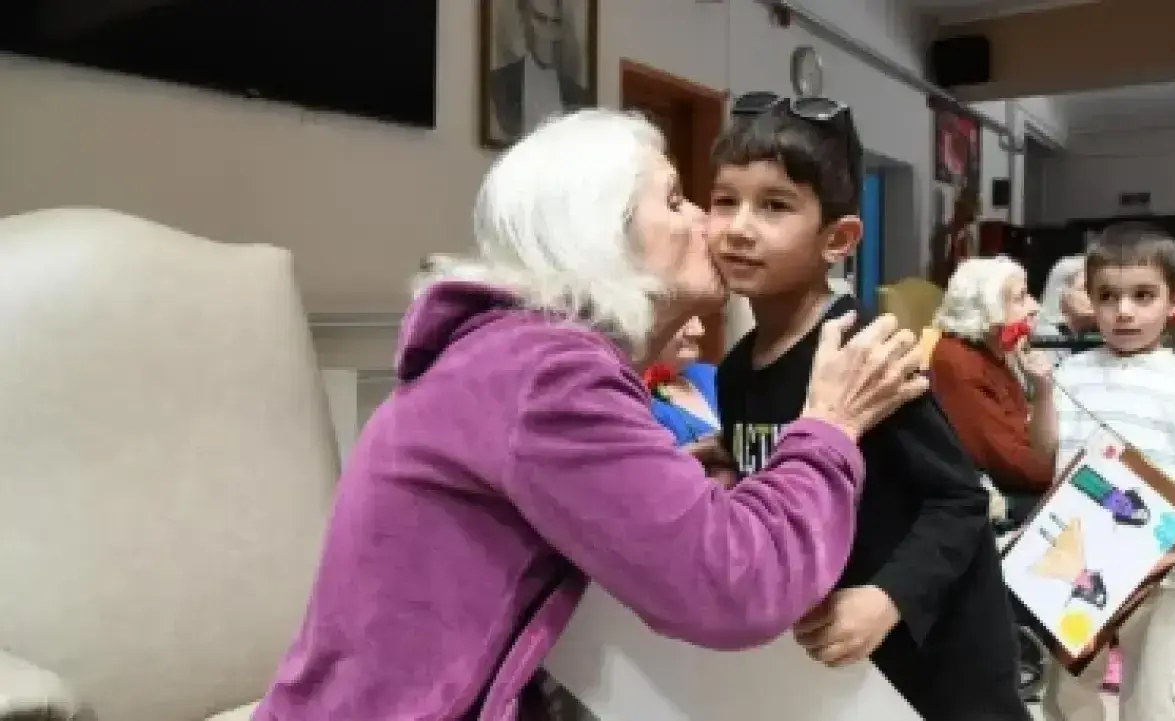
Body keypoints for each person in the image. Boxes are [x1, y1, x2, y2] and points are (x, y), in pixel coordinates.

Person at [251, 109, 929, 721]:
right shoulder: (549, 375)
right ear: (601, 238)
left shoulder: (513, 356)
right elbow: (736, 585)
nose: (709, 222)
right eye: (676, 200)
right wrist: (829, 426)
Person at [705, 92, 1029, 721]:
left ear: (839, 239)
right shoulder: (736, 372)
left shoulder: (866, 351)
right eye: (725, 200)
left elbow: (960, 500)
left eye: (774, 206)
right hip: (844, 666)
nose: (739, 227)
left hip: (940, 658)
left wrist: (886, 597)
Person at [1029, 221, 1175, 720]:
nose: (1124, 312)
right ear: (1089, 301)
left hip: (1162, 563)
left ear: (1174, 300)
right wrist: (1042, 392)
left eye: (1143, 296)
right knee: (1068, 692)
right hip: (1077, 557)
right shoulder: (1069, 373)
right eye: (1108, 296)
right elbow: (1043, 451)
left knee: (1156, 690)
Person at [929, 256, 1056, 523]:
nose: (1034, 306)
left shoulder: (993, 351)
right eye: (1020, 298)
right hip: (1000, 498)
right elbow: (1021, 470)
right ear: (988, 309)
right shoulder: (959, 362)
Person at [489, 0, 590, 140]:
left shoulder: (577, 95)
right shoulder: (497, 84)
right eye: (541, 19)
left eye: (555, 22)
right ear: (524, 20)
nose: (548, 34)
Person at [645, 316, 720, 446]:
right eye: (683, 320)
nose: (699, 331)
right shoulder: (636, 403)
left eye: (696, 316)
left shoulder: (709, 374)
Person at [1035, 254, 1098, 367]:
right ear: (1062, 294)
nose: (1095, 296)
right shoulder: (1044, 335)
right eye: (1085, 288)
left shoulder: (1102, 334)